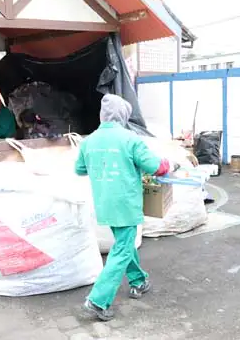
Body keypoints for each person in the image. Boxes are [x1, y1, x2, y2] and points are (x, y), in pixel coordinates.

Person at [75, 94, 171, 322]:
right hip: (125, 204)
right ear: (124, 115)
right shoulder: (130, 139)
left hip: (104, 203)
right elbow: (155, 166)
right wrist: (167, 164)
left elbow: (80, 169)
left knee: (124, 245)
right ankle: (98, 300)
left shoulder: (89, 141)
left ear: (103, 115)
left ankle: (138, 280)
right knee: (122, 250)